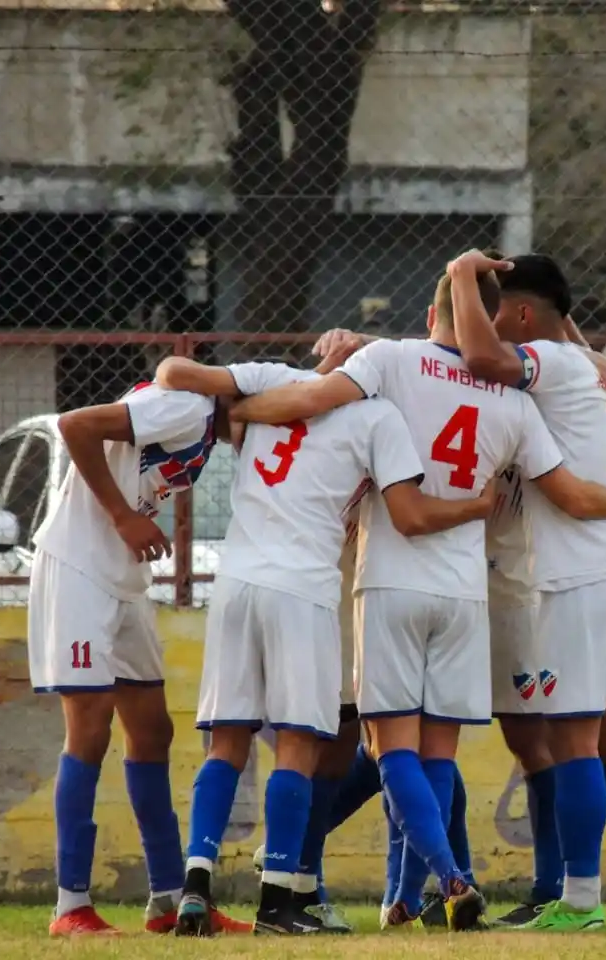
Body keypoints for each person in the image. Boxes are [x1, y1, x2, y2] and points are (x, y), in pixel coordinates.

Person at [229, 267, 606, 931]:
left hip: (400, 581)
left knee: (391, 745)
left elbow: (320, 403)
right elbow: (569, 485)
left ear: (429, 316)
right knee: (441, 751)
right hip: (469, 590)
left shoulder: (394, 370)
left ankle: (445, 879)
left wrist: (238, 410)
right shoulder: (517, 400)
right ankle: (414, 891)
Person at [152, 355, 492, 936]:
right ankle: (277, 902)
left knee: (225, 743)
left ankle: (195, 889)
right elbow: (408, 513)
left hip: (235, 581)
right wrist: (479, 507)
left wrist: (244, 409)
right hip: (303, 586)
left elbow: (173, 371)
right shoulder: (380, 417)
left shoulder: (272, 378)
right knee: (298, 746)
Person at [450, 249, 606, 931]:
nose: (491, 324)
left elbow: (483, 359)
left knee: (573, 744)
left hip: (580, 581)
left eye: (501, 311)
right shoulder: (592, 368)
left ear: (525, 314)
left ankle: (580, 901)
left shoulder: (552, 364)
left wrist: (461, 273)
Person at [28, 380, 252, 937]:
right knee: (89, 728)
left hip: (124, 579)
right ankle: (70, 905)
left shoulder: (204, 425)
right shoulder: (186, 405)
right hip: (80, 568)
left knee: (152, 732)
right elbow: (76, 425)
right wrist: (123, 516)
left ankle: (170, 898)